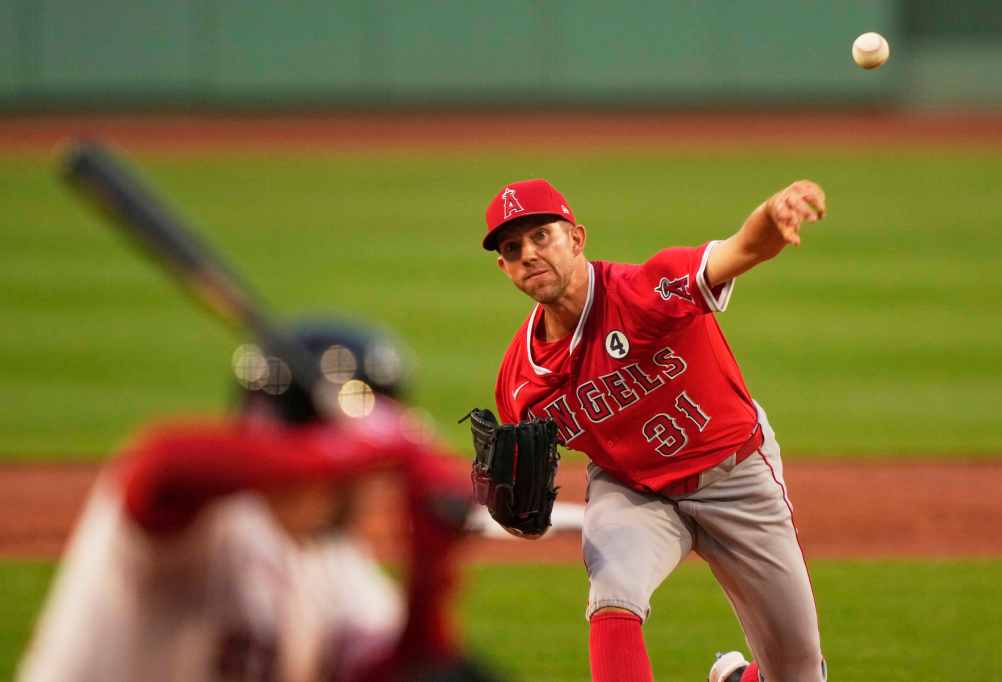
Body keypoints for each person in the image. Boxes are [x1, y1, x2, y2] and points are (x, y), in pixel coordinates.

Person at [480, 178, 829, 682]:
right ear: (504, 268)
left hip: (737, 480)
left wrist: (772, 219)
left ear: (576, 239)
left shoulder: (646, 291)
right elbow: (518, 485)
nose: (529, 255)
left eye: (541, 237)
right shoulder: (519, 383)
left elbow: (740, 250)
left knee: (797, 674)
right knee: (614, 592)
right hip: (635, 490)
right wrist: (512, 511)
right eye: (513, 249)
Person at [18, 319, 483, 682]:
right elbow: (164, 464)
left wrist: (430, 570)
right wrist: (368, 446)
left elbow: (409, 674)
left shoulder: (335, 564)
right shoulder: (201, 526)